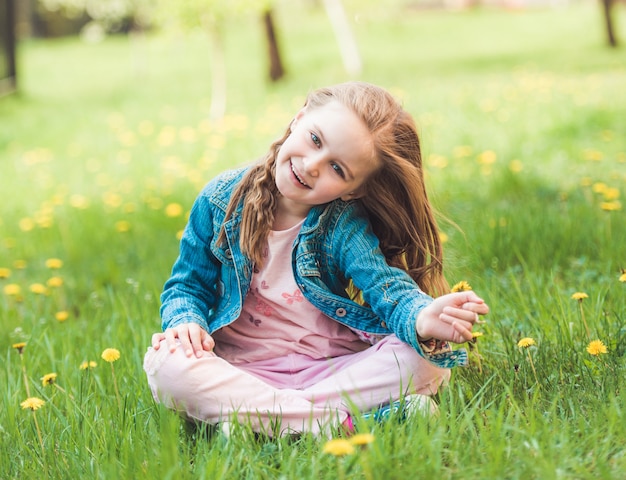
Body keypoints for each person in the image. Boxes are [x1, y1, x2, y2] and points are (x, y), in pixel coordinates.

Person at [143, 81, 489, 438]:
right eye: (315, 140)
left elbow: (385, 286)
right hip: (242, 371)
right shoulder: (221, 200)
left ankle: (263, 420)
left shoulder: (343, 224)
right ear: (300, 117)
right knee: (166, 364)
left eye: (337, 169)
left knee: (427, 359)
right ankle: (337, 423)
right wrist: (186, 323)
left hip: (330, 369)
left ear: (354, 188)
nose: (311, 166)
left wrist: (420, 315)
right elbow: (187, 285)